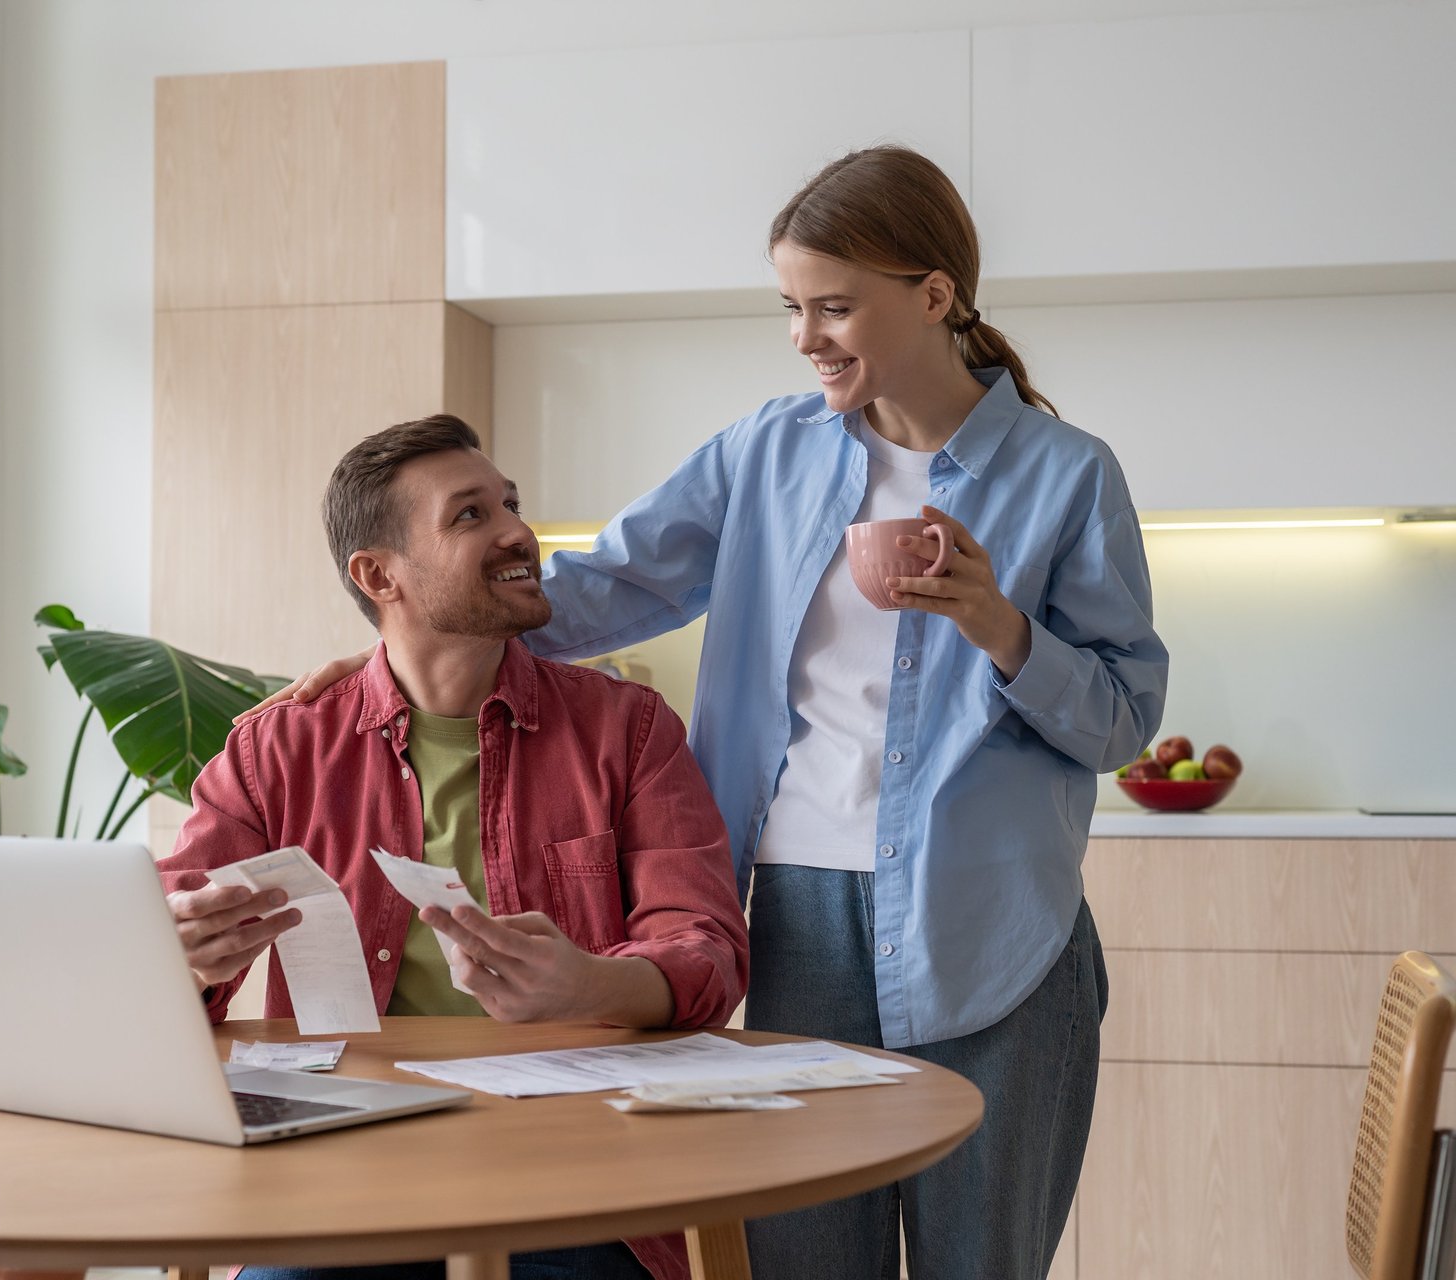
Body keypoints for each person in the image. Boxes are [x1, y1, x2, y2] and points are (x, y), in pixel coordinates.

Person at [243, 146, 1168, 1280]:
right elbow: (597, 588)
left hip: (998, 925)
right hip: (797, 911)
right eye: (790, 306)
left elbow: (1123, 717)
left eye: (834, 305)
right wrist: (407, 633)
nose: (804, 334)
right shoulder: (767, 452)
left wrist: (999, 625)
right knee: (800, 1260)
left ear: (933, 296)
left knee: (983, 1264)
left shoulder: (1068, 475)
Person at [159, 413, 749, 1280]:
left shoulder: (628, 730)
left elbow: (707, 948)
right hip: (339, 1186)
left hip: (582, 1184)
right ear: (379, 575)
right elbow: (157, 947)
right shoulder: (276, 751)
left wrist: (593, 983)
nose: (518, 531)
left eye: (510, 503)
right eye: (470, 515)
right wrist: (187, 957)